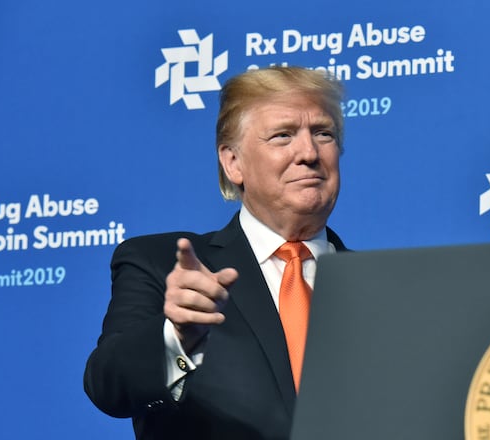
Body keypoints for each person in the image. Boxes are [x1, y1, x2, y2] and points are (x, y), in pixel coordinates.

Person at [84, 66, 348, 440]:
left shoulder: (379, 288)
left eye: (323, 133)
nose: (308, 152)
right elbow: (107, 385)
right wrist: (177, 335)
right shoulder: (158, 263)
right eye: (282, 135)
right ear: (233, 163)